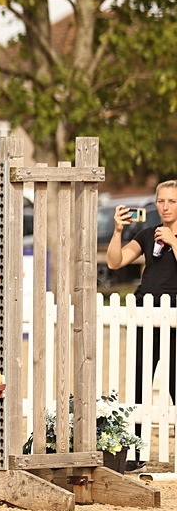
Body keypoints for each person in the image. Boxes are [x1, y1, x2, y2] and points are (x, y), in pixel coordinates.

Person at [106, 182, 177, 470]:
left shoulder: (169, 236)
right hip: (146, 315)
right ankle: (136, 453)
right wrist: (118, 231)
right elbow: (115, 261)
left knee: (174, 382)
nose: (166, 206)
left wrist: (173, 241)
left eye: (171, 201)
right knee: (139, 384)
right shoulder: (149, 234)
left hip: (173, 316)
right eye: (161, 201)